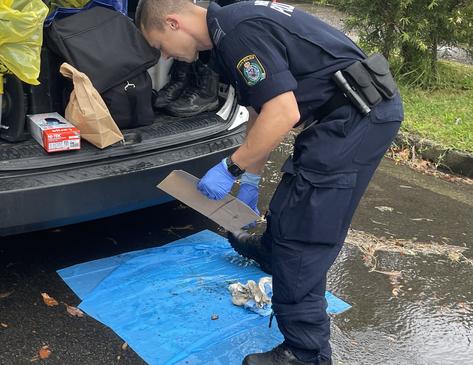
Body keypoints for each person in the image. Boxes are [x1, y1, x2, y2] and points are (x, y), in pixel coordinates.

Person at [135, 1, 404, 364]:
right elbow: (261, 108)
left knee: (306, 231)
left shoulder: (237, 33)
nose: (166, 55)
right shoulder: (226, 31)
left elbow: (284, 113)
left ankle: (304, 352)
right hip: (341, 112)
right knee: (294, 194)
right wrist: (252, 173)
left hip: (356, 117)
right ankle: (272, 252)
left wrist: (231, 167)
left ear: (173, 22)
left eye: (160, 45)